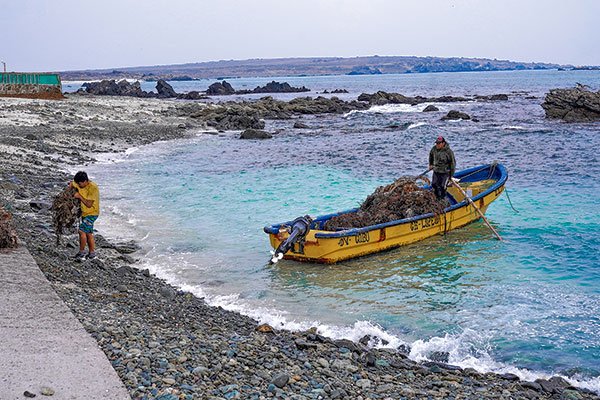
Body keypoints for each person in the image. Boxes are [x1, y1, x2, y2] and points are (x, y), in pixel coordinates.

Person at [70, 171, 100, 260]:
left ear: (85, 181)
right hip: (84, 213)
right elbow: (72, 184)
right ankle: (92, 253)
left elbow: (89, 204)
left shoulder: (93, 188)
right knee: (88, 233)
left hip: (92, 213)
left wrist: (79, 196)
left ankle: (81, 253)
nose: (78, 186)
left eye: (80, 184)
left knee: (81, 231)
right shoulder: (78, 183)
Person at [428, 136, 456, 200]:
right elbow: (431, 156)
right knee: (434, 184)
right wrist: (430, 164)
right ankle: (437, 197)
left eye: (439, 143)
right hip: (436, 170)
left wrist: (451, 176)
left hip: (445, 172)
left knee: (443, 186)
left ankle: (443, 198)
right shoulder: (434, 149)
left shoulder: (449, 152)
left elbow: (453, 164)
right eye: (436, 143)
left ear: (443, 143)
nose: (437, 145)